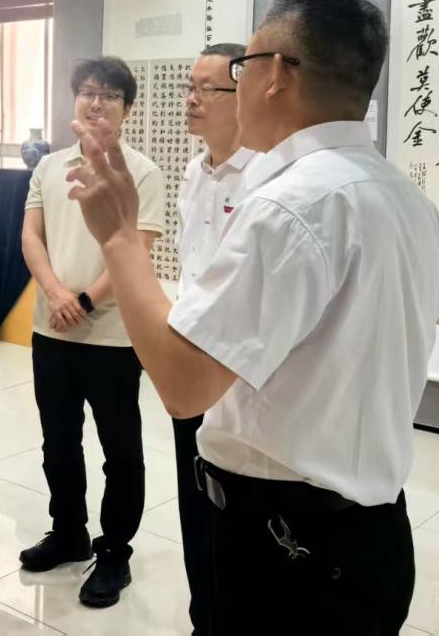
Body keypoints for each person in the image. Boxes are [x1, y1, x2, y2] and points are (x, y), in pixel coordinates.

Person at [66, 0, 439, 635]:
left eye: (240, 68)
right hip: (372, 532)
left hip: (287, 547)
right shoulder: (407, 201)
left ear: (275, 75)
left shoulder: (290, 206)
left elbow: (184, 386)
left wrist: (121, 239)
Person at [17, 57, 164, 609]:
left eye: (109, 95)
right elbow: (32, 237)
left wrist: (82, 300)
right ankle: (68, 532)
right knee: (57, 441)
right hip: (51, 330)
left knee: (120, 449)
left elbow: (137, 248)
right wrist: (57, 293)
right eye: (86, 92)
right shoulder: (49, 166)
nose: (96, 102)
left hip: (113, 336)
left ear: (128, 109)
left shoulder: (141, 172)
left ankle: (115, 551)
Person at [173, 42, 257, 635]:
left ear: (244, 95)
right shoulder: (194, 170)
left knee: (235, 512)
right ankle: (202, 615)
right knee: (192, 500)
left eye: (208, 88)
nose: (192, 99)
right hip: (189, 358)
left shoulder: (265, 177)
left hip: (238, 373)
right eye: (190, 86)